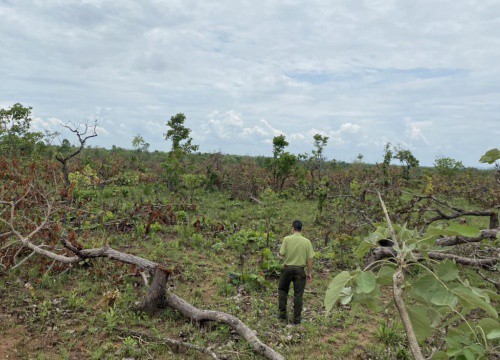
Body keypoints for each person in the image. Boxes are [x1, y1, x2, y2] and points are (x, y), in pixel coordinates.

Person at [278, 220, 314, 324]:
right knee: (298, 294)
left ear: (292, 228)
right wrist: (309, 272)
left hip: (287, 269)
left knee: (282, 290)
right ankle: (297, 318)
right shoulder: (307, 242)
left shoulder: (287, 239)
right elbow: (310, 259)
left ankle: (282, 315)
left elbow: (282, 253)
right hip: (300, 270)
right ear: (302, 229)